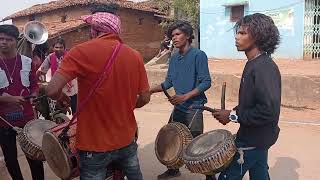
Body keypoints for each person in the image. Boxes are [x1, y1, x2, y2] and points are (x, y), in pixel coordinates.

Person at [45, 5, 150, 180]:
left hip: (94, 145)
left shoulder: (80, 51)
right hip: (126, 140)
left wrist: (62, 97)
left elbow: (51, 90)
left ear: (95, 29)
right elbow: (145, 97)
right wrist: (125, 107)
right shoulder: (135, 55)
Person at [212, 13, 281, 180]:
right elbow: (252, 103)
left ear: (258, 36)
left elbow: (267, 111)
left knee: (227, 177)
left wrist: (233, 115)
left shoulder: (264, 68)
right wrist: (232, 112)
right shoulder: (253, 63)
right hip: (258, 137)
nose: (237, 37)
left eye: (242, 33)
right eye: (237, 32)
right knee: (260, 174)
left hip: (253, 140)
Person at [149, 20, 213, 180]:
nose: (174, 38)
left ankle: (210, 175)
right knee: (171, 139)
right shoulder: (174, 58)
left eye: (178, 34)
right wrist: (149, 90)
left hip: (194, 107)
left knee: (197, 145)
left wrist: (185, 96)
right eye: (172, 36)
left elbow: (206, 82)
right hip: (178, 107)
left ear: (188, 36)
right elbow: (168, 83)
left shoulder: (199, 55)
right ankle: (173, 170)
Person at [0, 24, 44, 180]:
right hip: (4, 121)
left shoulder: (27, 61)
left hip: (27, 118)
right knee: (11, 160)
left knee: (34, 156)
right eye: (0, 39)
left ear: (15, 40)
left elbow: (34, 85)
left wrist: (33, 95)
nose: (3, 42)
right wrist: (8, 99)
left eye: (8, 39)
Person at [37, 38, 77, 114]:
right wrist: (36, 81)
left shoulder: (70, 56)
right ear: (53, 48)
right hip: (59, 90)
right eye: (56, 47)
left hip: (72, 88)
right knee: (61, 113)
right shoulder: (50, 57)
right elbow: (41, 70)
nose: (58, 49)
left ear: (64, 48)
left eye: (61, 47)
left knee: (76, 112)